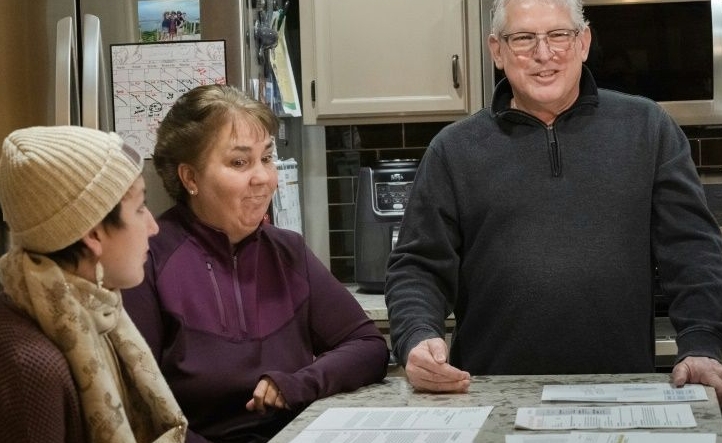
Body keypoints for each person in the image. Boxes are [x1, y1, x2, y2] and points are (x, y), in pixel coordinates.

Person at [385, 0, 722, 399]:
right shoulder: (453, 150)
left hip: (620, 391)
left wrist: (702, 342)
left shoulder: (648, 130)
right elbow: (418, 265)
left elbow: (691, 250)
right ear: (497, 50)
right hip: (491, 394)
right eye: (524, 38)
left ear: (583, 42)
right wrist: (417, 335)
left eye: (559, 35)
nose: (544, 54)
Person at [122, 84, 389, 443]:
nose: (263, 177)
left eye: (266, 158)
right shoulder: (146, 260)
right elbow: (140, 410)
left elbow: (368, 346)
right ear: (190, 178)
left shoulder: (288, 251)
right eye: (239, 162)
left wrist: (299, 383)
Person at [0, 126, 187, 442]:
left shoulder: (92, 309)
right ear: (93, 234)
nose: (153, 227)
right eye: (140, 208)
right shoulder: (31, 368)